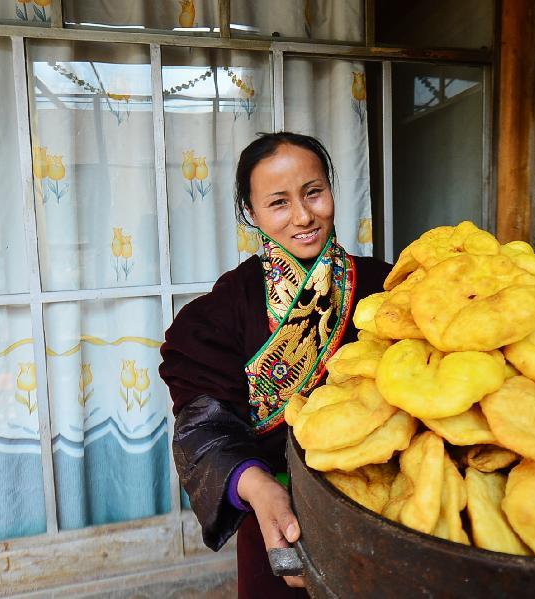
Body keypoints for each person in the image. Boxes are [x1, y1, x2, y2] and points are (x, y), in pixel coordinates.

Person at [159, 132, 391, 598]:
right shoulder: (226, 307)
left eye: (313, 193)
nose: (304, 217)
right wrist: (259, 488)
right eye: (279, 203)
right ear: (252, 212)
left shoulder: (385, 287)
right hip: (271, 511)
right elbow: (203, 422)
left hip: (379, 510)